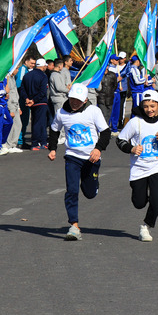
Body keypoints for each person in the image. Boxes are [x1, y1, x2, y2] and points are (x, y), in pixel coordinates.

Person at [48, 84, 111, 241]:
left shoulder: (93, 111)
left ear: (85, 100)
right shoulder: (61, 113)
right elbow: (54, 129)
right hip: (72, 156)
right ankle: (74, 225)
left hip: (92, 158)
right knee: (72, 190)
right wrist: (53, 148)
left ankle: (93, 185)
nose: (74, 103)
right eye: (72, 99)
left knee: (89, 193)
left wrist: (98, 149)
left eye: (78, 100)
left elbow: (105, 132)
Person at [116, 90, 158, 242]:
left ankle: (146, 226)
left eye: (152, 106)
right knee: (139, 203)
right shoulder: (135, 122)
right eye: (146, 106)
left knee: (157, 200)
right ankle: (141, 196)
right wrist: (131, 149)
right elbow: (120, 140)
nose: (149, 109)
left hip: (156, 167)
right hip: (138, 169)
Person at [20, 58, 49, 150]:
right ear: (43, 66)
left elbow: (22, 89)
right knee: (40, 123)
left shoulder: (27, 75)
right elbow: (43, 91)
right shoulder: (43, 76)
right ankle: (36, 143)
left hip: (31, 102)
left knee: (36, 122)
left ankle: (42, 141)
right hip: (40, 102)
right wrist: (33, 100)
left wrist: (27, 99)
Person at [4, 66, 24, 153]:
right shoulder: (7, 79)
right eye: (16, 69)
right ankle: (8, 145)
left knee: (18, 125)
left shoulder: (12, 78)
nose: (18, 70)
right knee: (12, 127)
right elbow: (8, 96)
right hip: (11, 106)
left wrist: (18, 107)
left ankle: (13, 144)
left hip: (16, 105)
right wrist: (10, 109)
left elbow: (15, 94)